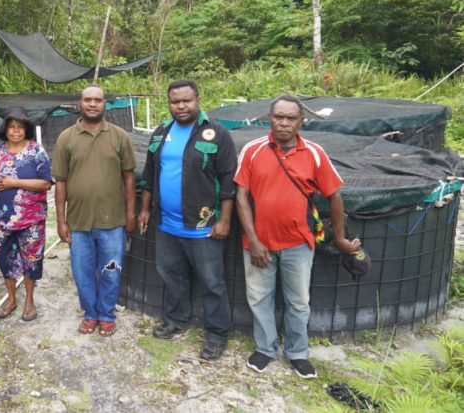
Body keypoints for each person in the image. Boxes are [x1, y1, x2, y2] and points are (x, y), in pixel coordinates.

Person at [235, 95, 361, 378]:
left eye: (290, 118)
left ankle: (297, 352)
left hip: (299, 242)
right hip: (258, 243)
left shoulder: (314, 153)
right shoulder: (252, 150)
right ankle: (265, 349)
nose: (283, 123)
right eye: (278, 116)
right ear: (269, 117)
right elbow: (240, 195)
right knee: (259, 298)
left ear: (301, 121)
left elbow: (334, 196)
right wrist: (253, 240)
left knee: (299, 301)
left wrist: (339, 238)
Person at [138, 79, 237, 361]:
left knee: (212, 282)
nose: (180, 106)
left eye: (186, 101)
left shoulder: (216, 134)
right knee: (172, 276)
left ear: (198, 100)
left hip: (203, 226)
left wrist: (225, 219)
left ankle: (217, 333)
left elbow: (229, 179)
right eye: (174, 101)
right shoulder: (160, 134)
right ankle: (176, 319)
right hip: (166, 224)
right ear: (168, 103)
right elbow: (148, 175)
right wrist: (145, 209)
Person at [52, 85, 136, 337]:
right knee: (82, 272)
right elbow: (60, 183)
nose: (92, 104)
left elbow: (129, 179)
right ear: (80, 103)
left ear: (105, 104)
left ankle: (106, 314)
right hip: (78, 223)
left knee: (111, 270)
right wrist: (61, 220)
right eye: (87, 99)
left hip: (113, 221)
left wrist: (130, 214)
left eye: (97, 100)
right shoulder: (66, 137)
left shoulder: (120, 136)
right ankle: (90, 314)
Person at [0, 107, 52, 322]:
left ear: (26, 129)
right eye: (11, 127)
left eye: (20, 127)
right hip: (1, 220)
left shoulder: (36, 151)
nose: (16, 131)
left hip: (32, 219)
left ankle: (29, 301)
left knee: (31, 260)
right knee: (4, 259)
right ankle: (11, 298)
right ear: (5, 129)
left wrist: (14, 182)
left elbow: (46, 183)